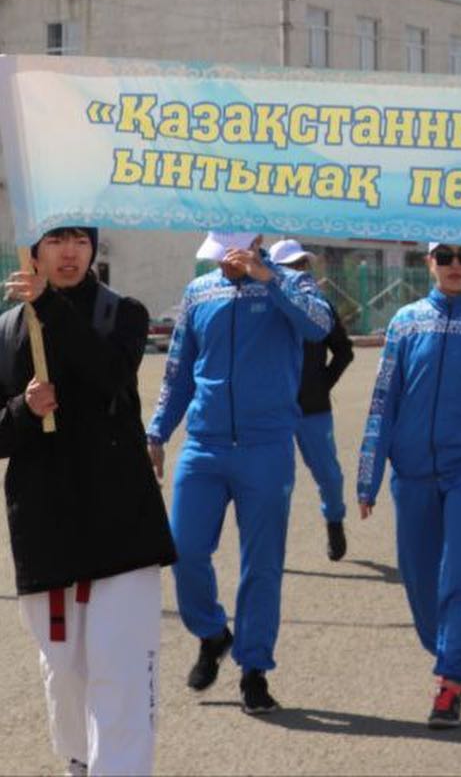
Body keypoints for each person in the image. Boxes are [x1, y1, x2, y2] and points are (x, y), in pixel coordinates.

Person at [1, 226, 176, 776]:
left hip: (121, 530)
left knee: (119, 674)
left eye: (79, 239)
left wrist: (49, 304)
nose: (69, 252)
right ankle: (78, 763)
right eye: (55, 240)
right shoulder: (7, 329)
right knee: (65, 673)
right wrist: (23, 411)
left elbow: (109, 377)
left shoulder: (122, 313)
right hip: (47, 532)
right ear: (32, 249)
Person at [148, 229, 333, 715]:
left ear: (256, 242)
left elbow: (319, 327)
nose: (226, 265)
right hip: (204, 446)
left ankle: (254, 669)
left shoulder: (292, 282)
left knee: (262, 564)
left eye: (233, 256)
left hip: (266, 446)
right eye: (219, 257)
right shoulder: (199, 291)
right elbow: (179, 367)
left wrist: (268, 278)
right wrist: (157, 432)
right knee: (183, 551)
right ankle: (213, 633)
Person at [357, 242, 461, 728]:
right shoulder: (405, 322)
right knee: (418, 578)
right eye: (445, 256)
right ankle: (447, 646)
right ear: (429, 262)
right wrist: (369, 477)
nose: (456, 266)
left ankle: (451, 680)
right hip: (412, 474)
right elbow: (383, 401)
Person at [268, 239, 354, 562]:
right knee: (273, 481)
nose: (299, 272)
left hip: (312, 409)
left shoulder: (321, 305)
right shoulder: (265, 308)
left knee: (328, 474)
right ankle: (269, 544)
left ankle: (335, 520)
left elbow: (344, 351)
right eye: (291, 266)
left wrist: (320, 385)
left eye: (303, 264)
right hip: (272, 410)